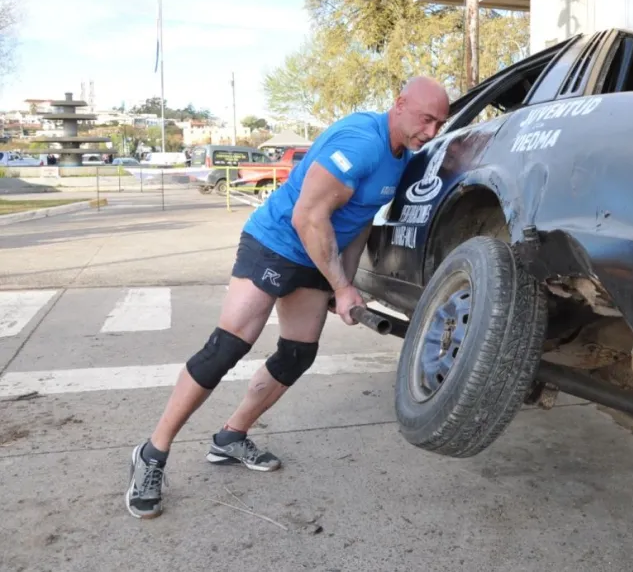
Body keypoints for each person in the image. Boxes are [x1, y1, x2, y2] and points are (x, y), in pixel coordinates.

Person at [125, 76, 450, 519]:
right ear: (399, 105)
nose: (431, 132)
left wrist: (346, 283)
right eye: (426, 119)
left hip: (320, 253)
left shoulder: (401, 156)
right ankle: (152, 453)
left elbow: (359, 223)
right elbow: (307, 215)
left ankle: (230, 436)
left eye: (439, 123)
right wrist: (338, 285)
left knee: (298, 353)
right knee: (228, 347)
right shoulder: (362, 142)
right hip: (277, 242)